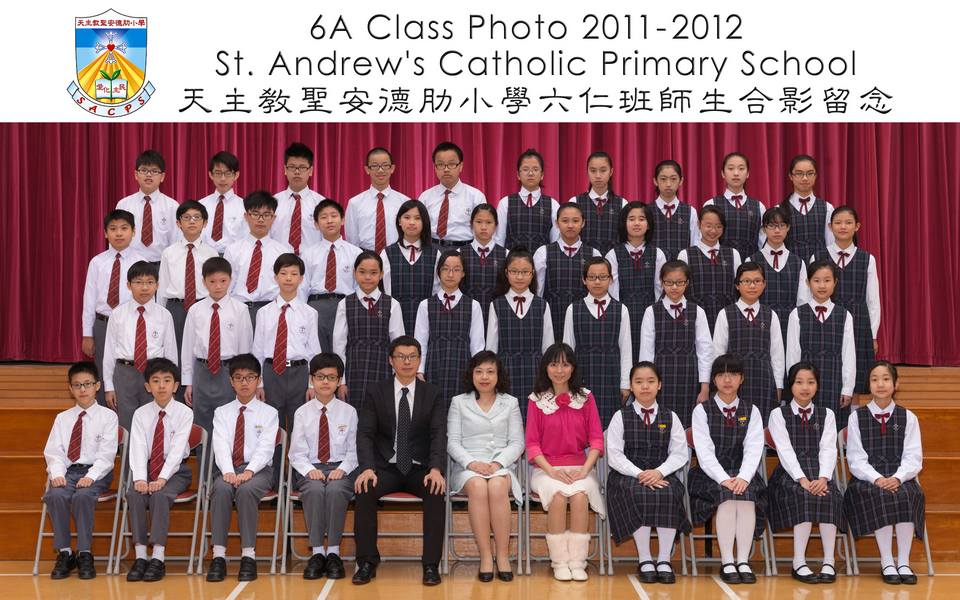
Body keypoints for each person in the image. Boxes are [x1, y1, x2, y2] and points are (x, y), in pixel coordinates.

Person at [352, 336, 448, 586]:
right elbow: (365, 433)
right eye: (401, 357)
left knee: (436, 488)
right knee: (364, 488)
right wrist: (367, 469)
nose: (407, 362)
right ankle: (367, 562)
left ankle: (430, 564)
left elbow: (439, 434)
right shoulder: (376, 391)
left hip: (420, 468)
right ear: (391, 361)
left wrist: (436, 469)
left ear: (419, 360)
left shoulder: (433, 393)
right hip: (385, 467)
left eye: (412, 356)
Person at [526, 343, 605, 582]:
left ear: (572, 368)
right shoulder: (536, 400)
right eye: (553, 364)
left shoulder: (586, 398)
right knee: (558, 496)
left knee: (580, 497)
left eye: (565, 364)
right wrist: (552, 472)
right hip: (546, 469)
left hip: (581, 467)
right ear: (546, 368)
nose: (559, 370)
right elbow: (532, 444)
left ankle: (578, 562)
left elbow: (597, 439)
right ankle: (559, 562)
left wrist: (584, 471)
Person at [606, 362, 690, 585]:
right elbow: (614, 456)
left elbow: (680, 454)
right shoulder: (620, 416)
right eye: (639, 382)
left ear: (659, 385)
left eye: (650, 381)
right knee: (639, 493)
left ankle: (664, 560)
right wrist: (640, 474)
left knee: (669, 493)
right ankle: (645, 559)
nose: (645, 386)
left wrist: (659, 472)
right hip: (627, 475)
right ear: (631, 386)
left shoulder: (670, 416)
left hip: (662, 473)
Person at [687, 354, 767, 585]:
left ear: (742, 378)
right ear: (713, 380)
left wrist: (743, 477)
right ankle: (727, 561)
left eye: (733, 374)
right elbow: (704, 452)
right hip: (711, 474)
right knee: (728, 497)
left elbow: (754, 448)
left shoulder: (751, 410)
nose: (727, 380)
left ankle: (743, 561)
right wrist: (723, 478)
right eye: (721, 375)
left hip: (743, 472)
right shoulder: (702, 410)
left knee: (747, 496)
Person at [843, 361, 925, 586]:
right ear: (868, 384)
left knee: (908, 495)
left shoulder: (908, 417)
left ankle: (904, 562)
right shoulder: (856, 417)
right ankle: (887, 561)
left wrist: (898, 477)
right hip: (867, 478)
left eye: (886, 379)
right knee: (881, 495)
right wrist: (877, 478)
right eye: (874, 379)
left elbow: (913, 457)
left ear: (896, 384)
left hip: (900, 475)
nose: (880, 384)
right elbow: (856, 459)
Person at [447, 351, 524, 582]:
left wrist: (497, 463)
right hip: (467, 467)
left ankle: (503, 556)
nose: (484, 377)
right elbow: (452, 442)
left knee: (497, 487)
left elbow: (517, 442)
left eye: (490, 372)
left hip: (500, 465)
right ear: (471, 374)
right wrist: (472, 463)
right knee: (479, 487)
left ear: (498, 375)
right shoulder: (459, 402)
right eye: (479, 371)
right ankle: (486, 557)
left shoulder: (510, 402)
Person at [767, 362, 845, 584]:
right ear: (791, 385)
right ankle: (798, 562)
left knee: (829, 496)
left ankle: (829, 561)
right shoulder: (778, 414)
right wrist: (801, 479)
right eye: (799, 382)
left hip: (820, 473)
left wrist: (823, 478)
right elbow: (784, 451)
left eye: (810, 382)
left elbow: (828, 449)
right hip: (789, 475)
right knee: (804, 497)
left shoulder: (827, 414)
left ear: (817, 385)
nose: (805, 387)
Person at [205, 354, 279, 582]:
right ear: (231, 381)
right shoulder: (222, 412)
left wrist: (249, 472)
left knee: (246, 490)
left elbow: (266, 449)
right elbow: (220, 445)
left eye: (250, 377)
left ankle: (249, 557)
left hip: (258, 471)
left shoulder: (269, 413)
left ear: (259, 380)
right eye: (238, 377)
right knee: (221, 489)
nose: (244, 382)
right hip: (228, 468)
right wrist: (228, 472)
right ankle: (218, 557)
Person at [42, 362, 119, 580]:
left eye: (87, 384)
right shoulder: (63, 418)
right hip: (68, 472)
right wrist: (57, 474)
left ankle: (85, 553)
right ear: (70, 388)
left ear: (97, 386)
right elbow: (54, 451)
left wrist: (91, 476)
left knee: (83, 496)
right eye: (77, 385)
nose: (82, 389)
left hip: (96, 473)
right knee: (54, 495)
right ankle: (66, 553)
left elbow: (106, 456)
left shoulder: (108, 417)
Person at [252, 253, 321, 489]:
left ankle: (298, 481)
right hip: (272, 373)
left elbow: (313, 352)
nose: (288, 278)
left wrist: (312, 385)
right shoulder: (264, 312)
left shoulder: (309, 313)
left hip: (300, 373)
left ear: (301, 279)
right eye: (283, 273)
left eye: (294, 274)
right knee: (273, 428)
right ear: (275, 277)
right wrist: (259, 383)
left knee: (300, 428)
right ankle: (275, 479)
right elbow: (257, 351)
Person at [288, 354, 358, 580]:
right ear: (311, 379)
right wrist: (310, 470)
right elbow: (296, 452)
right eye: (320, 377)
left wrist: (343, 469)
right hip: (311, 468)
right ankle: (318, 553)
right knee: (315, 490)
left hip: (341, 468)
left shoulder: (349, 412)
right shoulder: (302, 412)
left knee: (336, 490)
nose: (325, 382)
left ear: (339, 381)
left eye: (331, 377)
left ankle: (334, 553)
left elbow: (354, 450)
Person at [181, 256, 254, 474]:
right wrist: (188, 382)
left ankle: (227, 475)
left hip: (229, 373)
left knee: (228, 425)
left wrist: (242, 379)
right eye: (212, 281)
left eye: (223, 281)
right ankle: (205, 478)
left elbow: (245, 348)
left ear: (230, 280)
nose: (218, 286)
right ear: (204, 281)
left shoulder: (240, 309)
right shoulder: (195, 310)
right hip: (202, 371)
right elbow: (188, 347)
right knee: (202, 426)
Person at [124, 358, 193, 583]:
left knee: (160, 496)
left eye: (167, 380)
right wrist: (140, 479)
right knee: (135, 494)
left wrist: (163, 478)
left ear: (176, 386)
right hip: (146, 468)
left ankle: (158, 558)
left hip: (175, 471)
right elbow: (137, 448)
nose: (161, 385)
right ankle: (140, 557)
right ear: (147, 386)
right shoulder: (140, 414)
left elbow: (177, 451)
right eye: (155, 381)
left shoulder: (184, 413)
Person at [811, 205, 880, 401]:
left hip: (858, 320)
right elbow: (811, 295)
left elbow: (873, 300)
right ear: (830, 227)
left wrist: (873, 335)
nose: (843, 227)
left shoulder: (867, 259)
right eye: (838, 223)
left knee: (856, 373)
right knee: (827, 369)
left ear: (857, 226)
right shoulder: (818, 256)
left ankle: (852, 416)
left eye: (848, 223)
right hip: (826, 319)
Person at [103, 261, 178, 432]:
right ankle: (128, 452)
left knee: (154, 423)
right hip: (125, 373)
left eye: (150, 282)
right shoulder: (117, 314)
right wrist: (109, 386)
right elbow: (108, 353)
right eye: (138, 282)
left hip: (155, 374)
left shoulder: (164, 315)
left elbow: (171, 353)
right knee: (126, 423)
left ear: (157, 285)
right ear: (129, 285)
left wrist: (171, 385)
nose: (144, 287)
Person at [638, 260, 713, 428]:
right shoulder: (652, 311)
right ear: (661, 282)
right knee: (661, 423)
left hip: (689, 377)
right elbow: (646, 352)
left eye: (679, 282)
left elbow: (705, 351)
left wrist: (705, 388)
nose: (674, 287)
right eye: (669, 282)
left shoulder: (697, 311)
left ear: (687, 282)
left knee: (688, 424)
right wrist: (646, 384)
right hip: (660, 377)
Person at [81, 209, 143, 406]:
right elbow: (89, 299)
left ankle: (127, 415)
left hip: (130, 324)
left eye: (124, 228)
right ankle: (105, 417)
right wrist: (87, 334)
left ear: (133, 231)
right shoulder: (97, 262)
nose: (119, 233)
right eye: (113, 229)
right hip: (103, 324)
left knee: (127, 369)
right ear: (105, 233)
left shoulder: (141, 262)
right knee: (102, 371)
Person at [486, 247, 554, 422]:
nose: (519, 277)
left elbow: (548, 347)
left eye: (525, 272)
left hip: (535, 371)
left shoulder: (542, 305)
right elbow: (491, 348)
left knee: (534, 420)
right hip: (506, 371)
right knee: (507, 420)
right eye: (514, 271)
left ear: (532, 274)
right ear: (506, 273)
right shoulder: (497, 305)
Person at [562, 256, 631, 428]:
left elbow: (626, 349)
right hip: (582, 374)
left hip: (611, 374)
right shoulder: (573, 309)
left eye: (602, 277)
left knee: (610, 425)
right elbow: (568, 349)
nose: (597, 281)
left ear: (610, 279)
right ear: (584, 280)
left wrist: (625, 384)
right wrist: (566, 382)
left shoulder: (621, 309)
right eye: (592, 277)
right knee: (581, 423)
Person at [786, 260, 856, 427]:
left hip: (834, 379)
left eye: (827, 280)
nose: (822, 285)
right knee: (805, 426)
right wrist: (795, 385)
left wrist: (847, 388)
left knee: (832, 427)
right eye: (816, 280)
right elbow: (793, 354)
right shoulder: (797, 314)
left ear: (835, 282)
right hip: (805, 381)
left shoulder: (844, 315)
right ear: (808, 282)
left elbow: (849, 356)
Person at [712, 262, 784, 424]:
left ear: (764, 284)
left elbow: (777, 355)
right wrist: (718, 384)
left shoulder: (770, 315)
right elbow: (718, 353)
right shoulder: (726, 314)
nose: (752, 286)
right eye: (746, 281)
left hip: (763, 380)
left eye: (757, 281)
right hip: (733, 381)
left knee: (762, 423)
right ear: (737, 285)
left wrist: (779, 386)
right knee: (735, 422)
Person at [332, 252, 406, 410]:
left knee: (381, 414)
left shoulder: (392, 304)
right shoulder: (345, 304)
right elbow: (339, 345)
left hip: (382, 367)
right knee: (354, 413)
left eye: (373, 273)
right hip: (354, 369)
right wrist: (341, 382)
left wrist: (397, 378)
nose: (367, 277)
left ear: (381, 274)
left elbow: (398, 345)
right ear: (354, 273)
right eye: (362, 272)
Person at [414, 251, 485, 406]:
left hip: (462, 366)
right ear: (438, 271)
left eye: (456, 269)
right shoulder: (425, 305)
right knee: (433, 411)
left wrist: (477, 374)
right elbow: (421, 342)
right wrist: (419, 372)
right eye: (445, 269)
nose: (450, 274)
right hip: (434, 365)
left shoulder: (473, 306)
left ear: (463, 273)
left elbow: (477, 346)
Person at [224, 190, 295, 325]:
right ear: (246, 216)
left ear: (273, 218)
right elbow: (227, 286)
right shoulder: (232, 250)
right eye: (255, 214)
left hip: (271, 312)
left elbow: (286, 287)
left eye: (266, 215)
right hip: (239, 311)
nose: (261, 219)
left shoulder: (282, 252)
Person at [158, 200, 218, 355]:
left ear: (205, 223)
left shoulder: (211, 253)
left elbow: (215, 287)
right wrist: (160, 315)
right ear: (178, 223)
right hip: (175, 308)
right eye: (186, 217)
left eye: (197, 217)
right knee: (175, 351)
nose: (192, 221)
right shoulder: (168, 253)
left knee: (202, 350)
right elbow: (162, 287)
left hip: (203, 306)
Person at [300, 199, 361, 352]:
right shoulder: (308, 254)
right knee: (317, 352)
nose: (329, 221)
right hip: (316, 307)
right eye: (323, 217)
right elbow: (302, 288)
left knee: (344, 352)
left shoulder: (356, 253)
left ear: (343, 220)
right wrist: (302, 314)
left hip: (345, 305)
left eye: (334, 216)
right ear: (316, 224)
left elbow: (359, 286)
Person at [607, 201, 666, 356]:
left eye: (642, 219)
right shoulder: (613, 255)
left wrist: (657, 316)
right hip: (623, 315)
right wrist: (618, 317)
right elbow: (612, 292)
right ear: (623, 223)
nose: (637, 223)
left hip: (650, 314)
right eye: (631, 219)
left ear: (649, 224)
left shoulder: (658, 254)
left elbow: (660, 289)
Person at [534, 202, 601, 334]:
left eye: (575, 221)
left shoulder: (594, 254)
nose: (570, 225)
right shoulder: (543, 252)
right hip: (552, 316)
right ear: (557, 223)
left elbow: (598, 291)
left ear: (583, 223)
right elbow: (538, 290)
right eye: (565, 221)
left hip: (584, 316)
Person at [745, 206, 807, 343]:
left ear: (788, 227)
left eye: (781, 225)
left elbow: (803, 300)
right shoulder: (751, 261)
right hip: (760, 322)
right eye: (772, 226)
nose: (777, 230)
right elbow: (747, 298)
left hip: (790, 324)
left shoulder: (798, 263)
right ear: (763, 229)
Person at [677, 205, 741, 334]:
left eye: (718, 226)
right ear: (699, 224)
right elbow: (680, 291)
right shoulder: (685, 255)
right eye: (708, 225)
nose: (713, 230)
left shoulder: (733, 254)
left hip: (727, 318)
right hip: (695, 318)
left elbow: (739, 288)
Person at [382, 199, 440, 334]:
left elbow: (437, 291)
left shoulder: (435, 254)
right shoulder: (387, 254)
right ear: (399, 221)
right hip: (396, 319)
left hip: (426, 319)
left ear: (424, 222)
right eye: (407, 217)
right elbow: (385, 292)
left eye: (417, 218)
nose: (412, 222)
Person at [116, 149, 180, 265]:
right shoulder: (124, 205)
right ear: (136, 174)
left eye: (154, 171)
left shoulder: (172, 206)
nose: (149, 174)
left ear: (162, 176)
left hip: (161, 265)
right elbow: (117, 239)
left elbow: (176, 242)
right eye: (144, 170)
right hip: (130, 264)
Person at [419, 141, 486, 247]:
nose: (446, 169)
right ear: (435, 167)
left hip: (464, 248)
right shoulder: (425, 197)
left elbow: (482, 229)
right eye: (441, 165)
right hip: (432, 247)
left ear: (461, 166)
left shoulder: (476, 196)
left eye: (451, 164)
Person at [344, 147, 410, 253]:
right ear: (367, 169)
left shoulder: (404, 202)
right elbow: (351, 237)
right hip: (365, 255)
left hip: (396, 254)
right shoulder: (355, 203)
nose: (380, 170)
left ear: (392, 168)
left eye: (385, 165)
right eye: (374, 166)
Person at [495, 148, 559, 251]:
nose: (530, 173)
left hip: (542, 260)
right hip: (513, 260)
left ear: (542, 175)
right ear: (518, 175)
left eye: (535, 169)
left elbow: (555, 240)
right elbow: (499, 239)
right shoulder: (505, 203)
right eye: (525, 169)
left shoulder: (553, 205)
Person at [703, 152, 765, 259]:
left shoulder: (759, 207)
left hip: (750, 264)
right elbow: (704, 239)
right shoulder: (711, 204)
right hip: (720, 263)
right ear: (723, 173)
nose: (736, 173)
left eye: (741, 169)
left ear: (748, 173)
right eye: (731, 168)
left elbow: (762, 241)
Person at [568, 151, 628, 255]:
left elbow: (626, 239)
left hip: (613, 261)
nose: (598, 176)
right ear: (587, 172)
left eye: (603, 170)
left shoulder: (622, 204)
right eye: (593, 171)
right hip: (583, 259)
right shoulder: (575, 202)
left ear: (611, 172)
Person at [272, 142, 326, 255]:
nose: (297, 171)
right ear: (285, 169)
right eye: (292, 167)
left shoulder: (321, 203)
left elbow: (326, 238)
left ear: (310, 171)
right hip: (279, 261)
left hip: (311, 262)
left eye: (302, 167)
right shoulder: (273, 202)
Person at [780, 154, 835, 261]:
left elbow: (831, 244)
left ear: (815, 175)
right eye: (799, 174)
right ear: (790, 176)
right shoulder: (780, 209)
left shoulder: (827, 208)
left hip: (819, 267)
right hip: (791, 266)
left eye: (810, 173)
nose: (805, 178)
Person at [460, 204, 507, 331]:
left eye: (489, 222)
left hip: (497, 315)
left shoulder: (506, 255)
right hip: (466, 315)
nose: (484, 227)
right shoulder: (460, 254)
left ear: (496, 225)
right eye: (479, 222)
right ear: (471, 223)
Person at [200, 151, 248, 256]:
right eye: (218, 173)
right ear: (210, 175)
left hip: (233, 258)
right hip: (204, 257)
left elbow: (247, 238)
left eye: (228, 173)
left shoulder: (244, 207)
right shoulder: (201, 205)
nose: (223, 178)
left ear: (236, 175)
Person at [649, 160, 699, 260]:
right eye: (663, 179)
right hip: (653, 265)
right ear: (655, 181)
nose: (668, 184)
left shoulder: (690, 211)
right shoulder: (646, 211)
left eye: (673, 179)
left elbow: (695, 243)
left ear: (681, 181)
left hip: (682, 266)